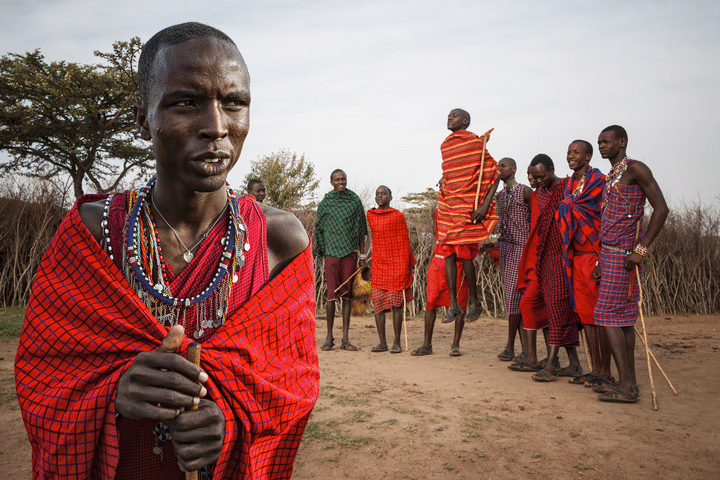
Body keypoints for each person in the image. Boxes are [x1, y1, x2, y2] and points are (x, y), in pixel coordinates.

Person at [14, 23, 319, 479]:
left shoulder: (280, 239)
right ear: (143, 120)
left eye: (234, 102)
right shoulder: (91, 234)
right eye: (186, 102)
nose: (217, 127)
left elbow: (292, 387)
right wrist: (112, 390)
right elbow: (44, 375)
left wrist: (229, 422)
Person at [593, 125, 668, 403]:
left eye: (606, 141)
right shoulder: (611, 175)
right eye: (599, 142)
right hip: (609, 254)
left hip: (625, 256)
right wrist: (601, 258)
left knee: (606, 316)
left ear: (621, 142)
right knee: (623, 321)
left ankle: (625, 385)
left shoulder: (636, 169)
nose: (601, 145)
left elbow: (661, 208)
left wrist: (641, 249)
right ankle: (630, 383)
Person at [436, 108, 500, 323]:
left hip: (466, 206)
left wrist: (484, 205)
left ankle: (475, 302)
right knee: (448, 253)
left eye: (454, 115)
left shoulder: (475, 143)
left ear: (465, 121)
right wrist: (444, 179)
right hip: (448, 205)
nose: (449, 117)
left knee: (464, 252)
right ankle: (453, 305)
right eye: (448, 115)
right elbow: (452, 171)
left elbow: (495, 171)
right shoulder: (445, 145)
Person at [558, 140, 613, 387]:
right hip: (576, 257)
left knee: (602, 318)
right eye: (569, 152)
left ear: (588, 157)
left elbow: (607, 219)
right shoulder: (569, 185)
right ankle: (596, 370)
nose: (571, 156)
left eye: (576, 152)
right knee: (587, 317)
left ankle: (606, 372)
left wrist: (604, 258)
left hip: (596, 255)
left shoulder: (599, 182)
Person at [527, 154, 583, 382]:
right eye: (534, 177)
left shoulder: (568, 187)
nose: (538, 181)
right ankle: (575, 364)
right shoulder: (540, 194)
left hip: (564, 256)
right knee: (557, 309)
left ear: (551, 169)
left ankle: (551, 364)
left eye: (542, 176)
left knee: (558, 309)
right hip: (545, 258)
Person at [315, 169, 367, 351]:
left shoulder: (354, 202)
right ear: (331, 182)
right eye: (337, 179)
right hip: (331, 255)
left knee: (347, 296)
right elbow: (319, 229)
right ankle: (329, 338)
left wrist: (362, 257)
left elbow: (361, 231)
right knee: (331, 296)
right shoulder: (326, 203)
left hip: (350, 256)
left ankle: (345, 339)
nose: (341, 181)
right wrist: (323, 251)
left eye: (343, 179)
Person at [509, 166, 550, 372]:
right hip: (532, 256)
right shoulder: (536, 196)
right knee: (535, 305)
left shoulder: (554, 192)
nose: (532, 178)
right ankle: (540, 358)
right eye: (530, 175)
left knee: (532, 304)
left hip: (550, 256)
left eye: (537, 175)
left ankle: (538, 358)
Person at [412, 208, 468, 357]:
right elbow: (435, 235)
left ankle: (455, 345)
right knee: (431, 302)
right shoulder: (435, 210)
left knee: (460, 302)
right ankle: (426, 345)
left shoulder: (465, 208)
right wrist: (430, 261)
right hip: (438, 261)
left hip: (458, 262)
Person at [366, 186, 416, 353]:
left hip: (397, 265)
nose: (380, 197)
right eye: (377, 194)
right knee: (378, 304)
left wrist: (404, 266)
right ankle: (382, 342)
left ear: (390, 197)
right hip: (379, 264)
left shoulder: (397, 217)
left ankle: (396, 342)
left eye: (383, 194)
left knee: (396, 304)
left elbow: (404, 243)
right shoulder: (371, 216)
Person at [493, 157, 531, 361]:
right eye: (498, 166)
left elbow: (537, 217)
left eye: (503, 166)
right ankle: (524, 350)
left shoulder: (524, 191)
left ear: (514, 169)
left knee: (515, 298)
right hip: (506, 249)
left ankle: (511, 346)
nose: (499, 169)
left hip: (522, 248)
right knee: (514, 299)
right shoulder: (499, 196)